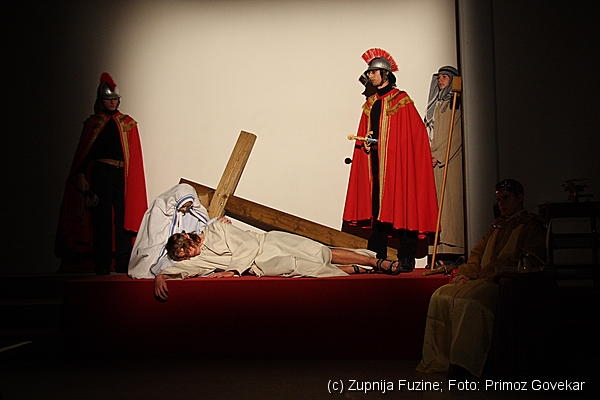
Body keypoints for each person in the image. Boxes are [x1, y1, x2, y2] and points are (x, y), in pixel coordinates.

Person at [416, 178, 546, 379]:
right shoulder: (497, 225)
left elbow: (529, 258)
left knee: (470, 303)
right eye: (498, 199)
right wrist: (466, 273)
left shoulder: (531, 226)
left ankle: (465, 363)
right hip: (482, 276)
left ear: (520, 198)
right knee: (440, 296)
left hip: (502, 280)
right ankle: (442, 359)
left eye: (506, 198)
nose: (501, 204)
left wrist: (489, 273)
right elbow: (477, 254)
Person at [343, 48, 439, 271]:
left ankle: (406, 258)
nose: (370, 76)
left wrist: (399, 151)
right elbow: (369, 131)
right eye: (369, 72)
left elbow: (414, 134)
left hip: (396, 166)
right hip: (376, 166)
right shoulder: (371, 103)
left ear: (385, 74)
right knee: (377, 210)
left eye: (374, 72)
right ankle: (378, 259)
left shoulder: (401, 100)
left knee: (402, 206)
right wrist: (368, 142)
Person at [153, 222, 400, 301]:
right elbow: (185, 269)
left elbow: (247, 245)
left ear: (189, 237)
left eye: (188, 250)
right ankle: (355, 270)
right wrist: (162, 276)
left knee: (320, 252)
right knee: (306, 267)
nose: (191, 255)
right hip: (261, 265)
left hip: (268, 243)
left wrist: (233, 271)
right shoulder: (200, 257)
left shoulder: (217, 228)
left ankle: (374, 262)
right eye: (185, 255)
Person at [55, 72, 148, 275]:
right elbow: (84, 154)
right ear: (101, 100)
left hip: (121, 175)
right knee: (101, 219)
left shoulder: (127, 123)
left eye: (115, 99)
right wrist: (80, 173)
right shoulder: (93, 124)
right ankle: (102, 264)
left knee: (123, 219)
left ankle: (122, 263)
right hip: (101, 174)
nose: (113, 102)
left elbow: (134, 157)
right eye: (108, 99)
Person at [128, 183, 220, 279]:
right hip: (165, 250)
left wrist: (216, 221)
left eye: (188, 206)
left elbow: (203, 230)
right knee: (165, 265)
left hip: (186, 248)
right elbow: (155, 238)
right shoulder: (161, 207)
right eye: (183, 206)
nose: (185, 209)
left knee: (199, 260)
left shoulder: (193, 211)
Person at [424, 66, 465, 263]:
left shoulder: (455, 104)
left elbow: (456, 134)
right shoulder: (436, 103)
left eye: (445, 77)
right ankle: (437, 249)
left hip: (448, 160)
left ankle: (453, 249)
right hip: (432, 159)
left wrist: (439, 155)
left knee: (449, 204)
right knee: (436, 204)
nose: (440, 80)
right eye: (439, 77)